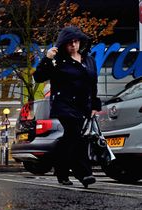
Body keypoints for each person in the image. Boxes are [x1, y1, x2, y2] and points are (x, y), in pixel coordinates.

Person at [33, 26, 101, 188]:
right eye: (69, 42)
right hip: (64, 104)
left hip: (83, 105)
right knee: (75, 135)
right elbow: (39, 77)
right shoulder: (58, 61)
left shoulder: (88, 60)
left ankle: (61, 170)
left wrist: (94, 105)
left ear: (81, 42)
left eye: (76, 42)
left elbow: (93, 84)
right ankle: (84, 173)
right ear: (63, 44)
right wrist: (47, 58)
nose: (73, 45)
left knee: (69, 139)